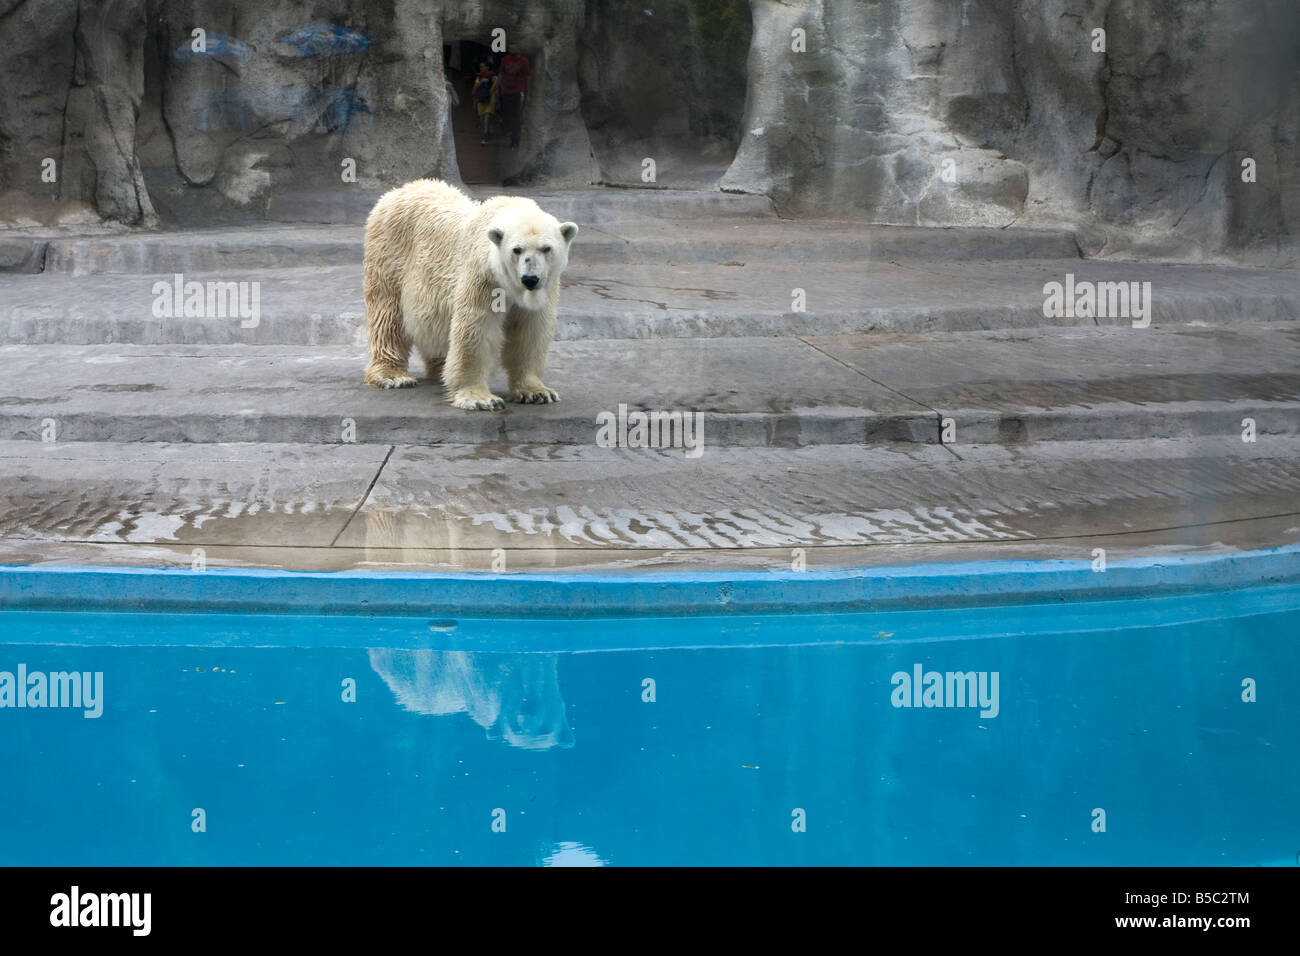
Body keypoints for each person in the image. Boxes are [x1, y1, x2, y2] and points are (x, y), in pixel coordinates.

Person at [497, 43, 532, 148]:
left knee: (517, 116)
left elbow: (528, 77)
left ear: (518, 48)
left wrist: (528, 93)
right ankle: (508, 133)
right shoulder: (505, 59)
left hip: (519, 91)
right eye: (509, 47)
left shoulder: (524, 61)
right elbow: (501, 74)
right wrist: (497, 89)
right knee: (507, 115)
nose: (510, 49)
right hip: (507, 91)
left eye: (512, 47)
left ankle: (515, 140)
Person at [470, 61, 499, 144]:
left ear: (487, 67)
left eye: (483, 67)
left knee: (487, 117)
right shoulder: (479, 77)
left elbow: (496, 89)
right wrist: (481, 82)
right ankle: (486, 132)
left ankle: (485, 136)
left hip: (490, 100)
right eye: (480, 67)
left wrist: (497, 100)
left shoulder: (493, 77)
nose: (481, 68)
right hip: (481, 100)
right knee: (482, 120)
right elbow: (474, 89)